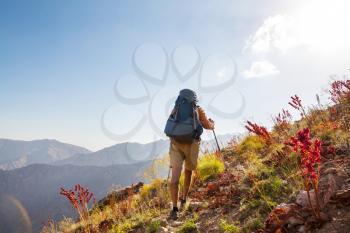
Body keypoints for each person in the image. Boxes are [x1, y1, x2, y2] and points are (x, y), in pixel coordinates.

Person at [165, 89, 215, 220]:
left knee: (174, 178)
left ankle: (174, 208)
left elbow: (170, 126)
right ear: (194, 99)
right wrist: (212, 124)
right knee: (188, 171)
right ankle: (184, 198)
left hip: (175, 144)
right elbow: (208, 126)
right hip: (192, 144)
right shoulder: (198, 110)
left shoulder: (176, 109)